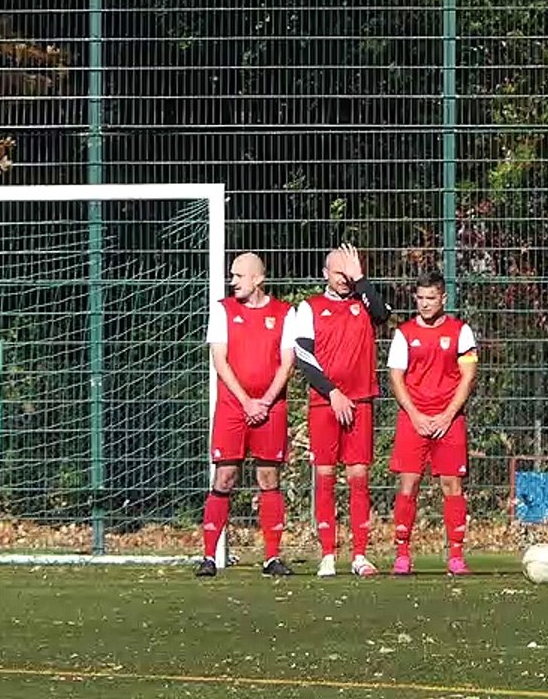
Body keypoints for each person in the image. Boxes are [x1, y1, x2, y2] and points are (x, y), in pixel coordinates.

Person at [291, 244, 391, 577]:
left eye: (349, 273)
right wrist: (332, 392)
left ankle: (360, 554)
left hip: (360, 400)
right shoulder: (309, 308)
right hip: (325, 403)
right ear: (325, 274)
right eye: (339, 272)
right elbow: (303, 356)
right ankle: (328, 555)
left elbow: (383, 315)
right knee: (325, 476)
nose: (345, 279)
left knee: (358, 477)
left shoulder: (365, 302)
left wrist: (361, 278)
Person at [197, 252, 297, 578]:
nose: (233, 282)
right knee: (224, 476)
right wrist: (247, 402)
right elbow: (220, 360)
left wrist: (265, 402)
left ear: (258, 279)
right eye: (232, 276)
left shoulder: (285, 312)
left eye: (239, 276)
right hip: (233, 407)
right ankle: (208, 556)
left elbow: (287, 363)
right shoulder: (222, 310)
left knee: (268, 478)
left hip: (271, 407)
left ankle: (271, 557)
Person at [387, 271, 479, 576]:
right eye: (420, 298)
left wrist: (447, 415)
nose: (425, 304)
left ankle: (456, 555)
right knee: (409, 483)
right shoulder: (403, 333)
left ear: (443, 298)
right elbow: (396, 377)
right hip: (413, 419)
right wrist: (415, 415)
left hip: (449, 420)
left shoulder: (461, 331)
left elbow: (468, 376)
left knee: (452, 485)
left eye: (431, 298)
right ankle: (402, 554)